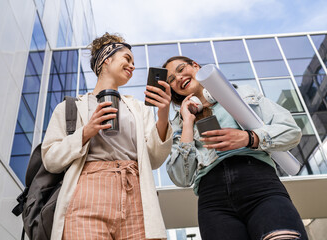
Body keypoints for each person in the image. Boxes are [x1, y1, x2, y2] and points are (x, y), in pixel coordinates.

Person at [41, 33, 172, 240]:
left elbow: (154, 160)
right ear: (106, 59)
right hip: (86, 193)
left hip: (136, 195)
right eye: (127, 59)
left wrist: (163, 115)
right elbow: (51, 160)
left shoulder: (138, 109)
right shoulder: (70, 107)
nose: (132, 66)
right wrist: (86, 132)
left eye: (133, 62)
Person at [164, 56, 308, 240]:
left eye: (181, 68)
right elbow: (181, 178)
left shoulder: (242, 93)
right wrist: (187, 123)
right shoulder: (179, 122)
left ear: (196, 66)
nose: (178, 78)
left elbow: (291, 131)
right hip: (212, 201)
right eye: (171, 80)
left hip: (259, 184)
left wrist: (248, 138)